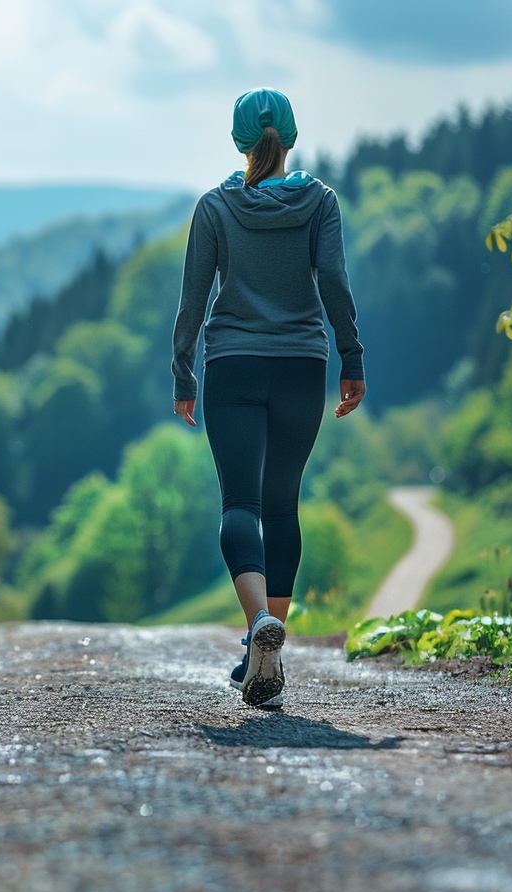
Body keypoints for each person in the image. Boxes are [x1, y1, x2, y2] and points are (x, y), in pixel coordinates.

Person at [169, 87, 365, 709]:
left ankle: (258, 628)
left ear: (237, 142)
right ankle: (266, 647)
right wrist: (352, 358)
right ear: (292, 138)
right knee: (282, 508)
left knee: (239, 504)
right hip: (303, 368)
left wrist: (183, 375)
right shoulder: (320, 203)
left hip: (233, 366)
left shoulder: (213, 208)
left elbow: (193, 301)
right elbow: (332, 279)